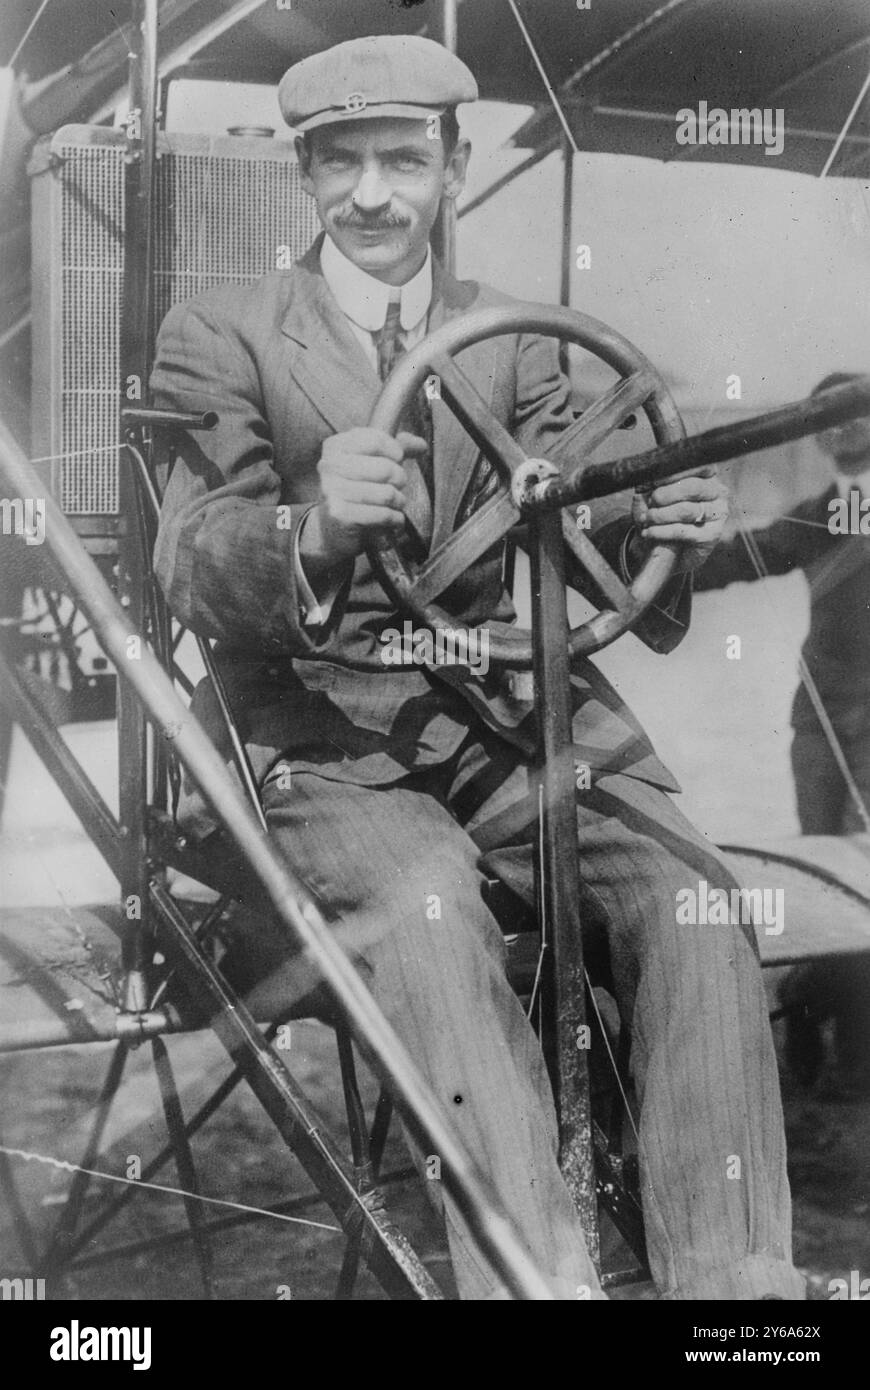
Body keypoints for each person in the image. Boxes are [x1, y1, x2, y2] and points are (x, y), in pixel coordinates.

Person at [151, 35, 804, 1300]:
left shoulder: (513, 337)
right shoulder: (221, 330)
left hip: (509, 710)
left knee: (693, 902)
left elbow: (576, 510)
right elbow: (193, 550)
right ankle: (538, 1286)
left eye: (404, 158)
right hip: (318, 739)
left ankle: (736, 1299)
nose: (374, 194)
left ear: (453, 166)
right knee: (432, 908)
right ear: (306, 175)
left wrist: (649, 525)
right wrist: (314, 531)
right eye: (341, 164)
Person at [694, 373, 870, 1094]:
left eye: (849, 417)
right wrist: (653, 562)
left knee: (862, 877)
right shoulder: (825, 511)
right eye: (822, 424)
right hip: (820, 720)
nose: (835, 434)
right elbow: (746, 554)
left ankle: (857, 1057)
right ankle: (807, 1029)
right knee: (820, 870)